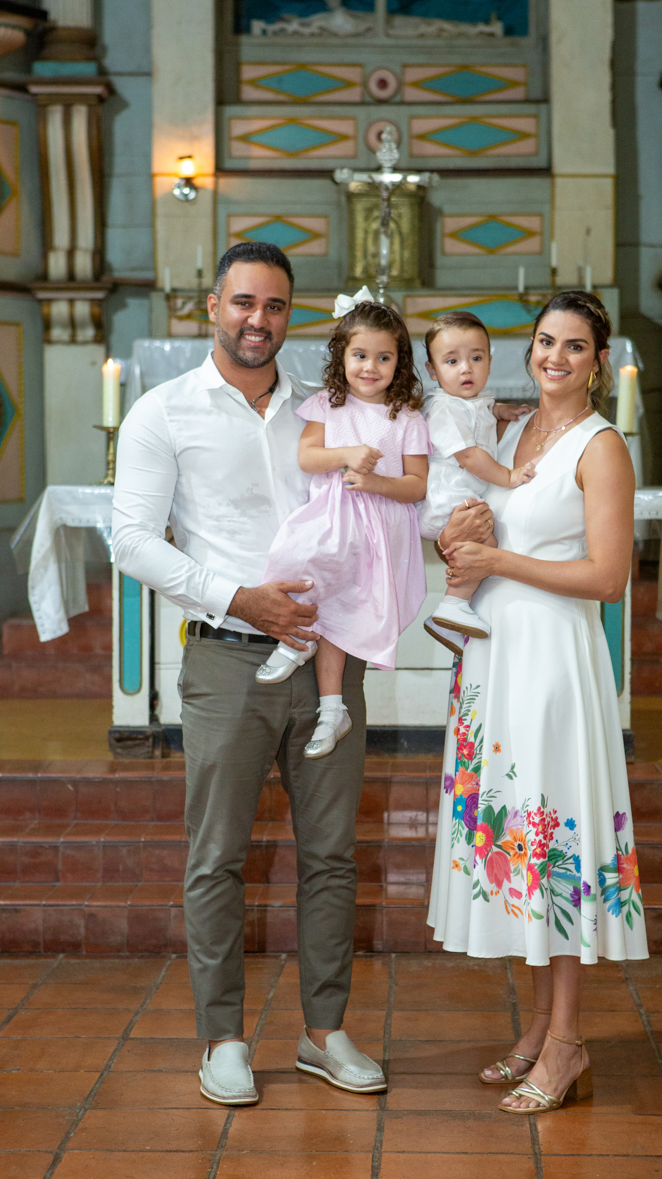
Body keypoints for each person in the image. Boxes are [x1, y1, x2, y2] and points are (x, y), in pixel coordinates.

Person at [112, 242, 386, 1107]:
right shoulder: (164, 411)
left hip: (327, 662)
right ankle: (223, 1039)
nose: (257, 320)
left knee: (332, 856)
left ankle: (324, 1032)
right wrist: (240, 598)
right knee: (217, 856)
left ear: (290, 315)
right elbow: (132, 540)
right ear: (212, 307)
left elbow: (380, 502)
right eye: (243, 302)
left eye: (273, 306)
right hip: (228, 656)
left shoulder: (326, 412)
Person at [427, 290, 649, 1115]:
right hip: (497, 658)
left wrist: (497, 563)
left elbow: (607, 577)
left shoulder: (602, 447)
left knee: (554, 839)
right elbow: (481, 530)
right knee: (521, 839)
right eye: (546, 341)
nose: (556, 357)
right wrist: (460, 543)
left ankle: (567, 1041)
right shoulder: (511, 434)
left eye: (575, 346)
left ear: (598, 360)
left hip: (554, 662)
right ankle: (537, 1028)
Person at [255, 290, 430, 760]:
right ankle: (332, 708)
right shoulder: (327, 404)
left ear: (400, 361)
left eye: (384, 357)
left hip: (379, 524)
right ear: (342, 356)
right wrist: (348, 455)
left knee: (342, 611)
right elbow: (308, 457)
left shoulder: (406, 417)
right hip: (333, 516)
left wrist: (376, 482)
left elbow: (417, 485)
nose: (370, 367)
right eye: (360, 355)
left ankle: (308, 663)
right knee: (302, 567)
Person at [415, 310, 533, 653]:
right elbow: (468, 456)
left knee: (487, 548)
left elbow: (482, 411)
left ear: (490, 362)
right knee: (487, 545)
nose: (466, 368)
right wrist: (508, 476)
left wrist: (501, 411)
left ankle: (453, 613)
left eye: (476, 358)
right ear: (433, 371)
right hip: (450, 503)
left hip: (462, 498)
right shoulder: (443, 408)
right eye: (452, 361)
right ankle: (451, 605)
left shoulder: (469, 402)